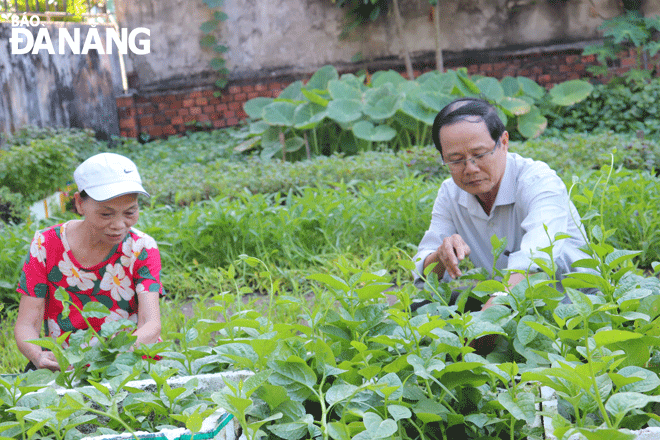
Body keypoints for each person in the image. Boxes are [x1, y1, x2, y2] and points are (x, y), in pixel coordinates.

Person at [413, 97, 588, 310]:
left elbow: (533, 265)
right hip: (501, 299)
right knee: (420, 308)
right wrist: (441, 256)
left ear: (504, 142)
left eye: (479, 154)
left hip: (570, 308)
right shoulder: (450, 193)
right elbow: (422, 273)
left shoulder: (539, 183)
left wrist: (483, 328)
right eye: (456, 160)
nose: (470, 168)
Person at [14, 152, 164, 371]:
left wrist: (107, 359)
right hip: (64, 366)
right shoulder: (46, 245)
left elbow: (151, 324)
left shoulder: (142, 248)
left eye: (130, 212)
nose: (119, 224)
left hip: (128, 360)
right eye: (106, 214)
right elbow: (27, 324)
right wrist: (38, 356)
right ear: (79, 204)